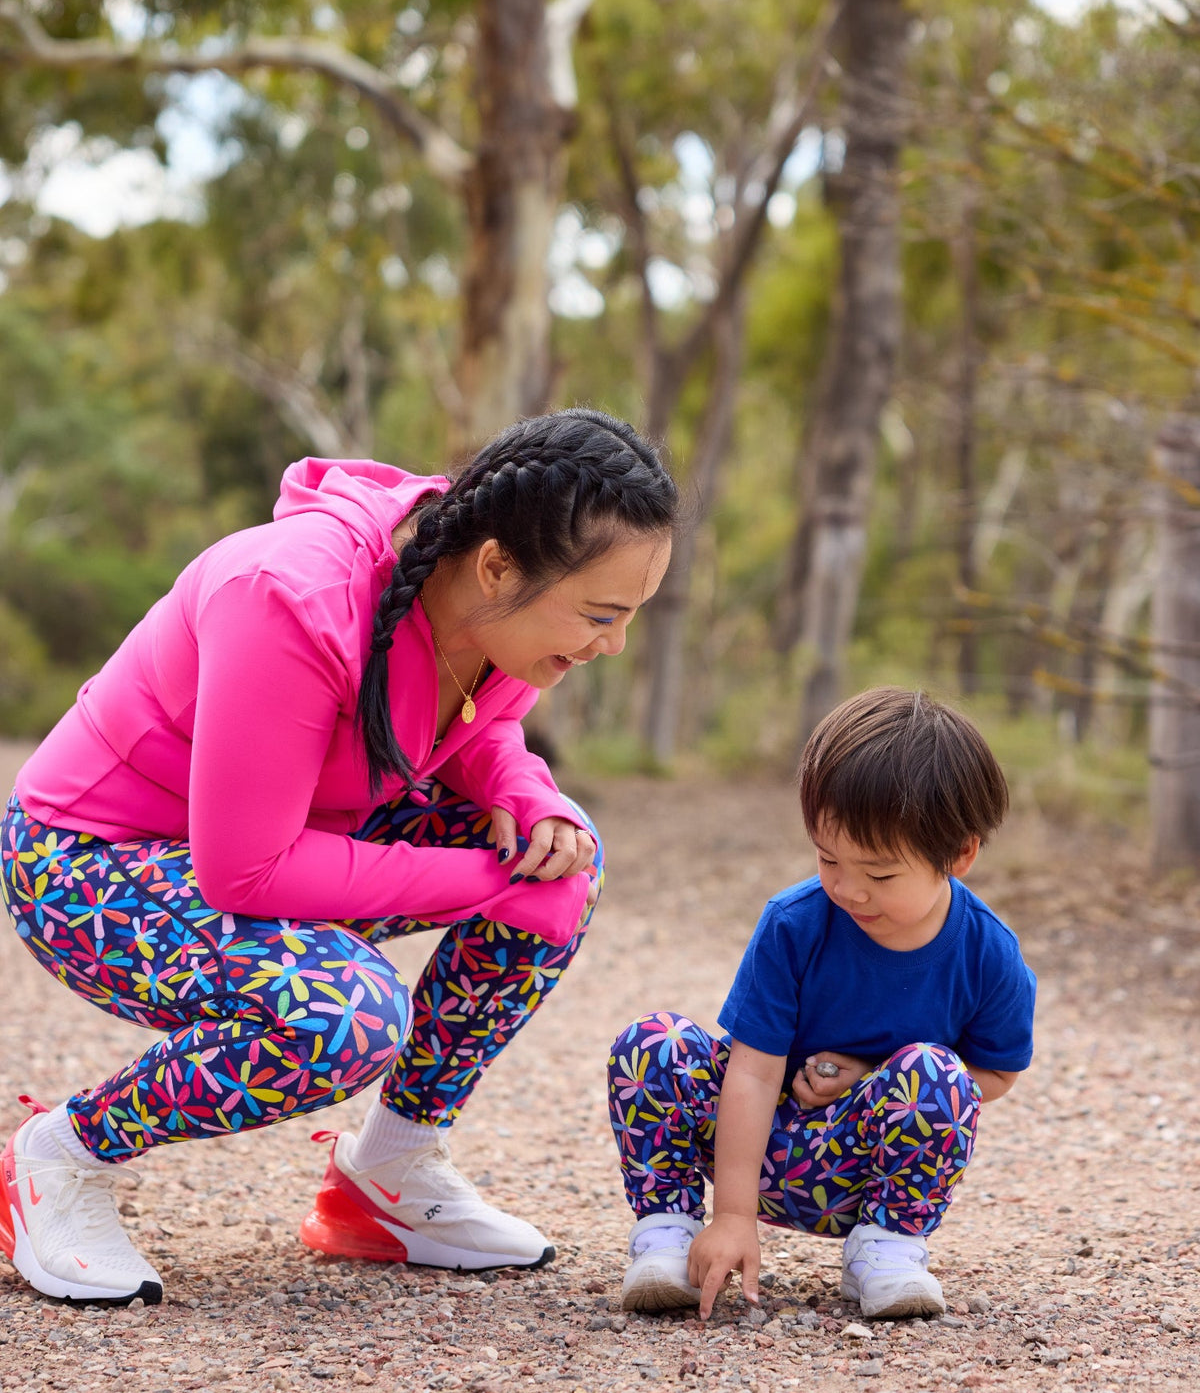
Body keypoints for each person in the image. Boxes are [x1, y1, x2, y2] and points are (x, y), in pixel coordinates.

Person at [0, 407, 676, 1307]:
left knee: (564, 859)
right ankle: (60, 1155)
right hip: (87, 864)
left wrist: (529, 798)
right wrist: (490, 883)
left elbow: (481, 727)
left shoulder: (487, 606)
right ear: (496, 567)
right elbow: (245, 873)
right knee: (343, 1017)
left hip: (261, 846)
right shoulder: (288, 596)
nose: (613, 644)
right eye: (600, 614)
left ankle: (388, 1177)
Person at [607, 687, 1035, 1321]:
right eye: (829, 859)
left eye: (880, 874)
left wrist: (880, 1080)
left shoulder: (988, 953)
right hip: (751, 1143)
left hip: (859, 1167)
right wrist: (732, 1214)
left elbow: (994, 1075)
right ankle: (670, 1234)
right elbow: (751, 1070)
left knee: (937, 1076)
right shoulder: (795, 922)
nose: (849, 890)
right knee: (653, 1044)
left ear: (960, 855)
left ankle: (886, 1248)